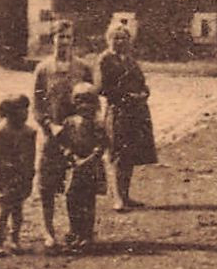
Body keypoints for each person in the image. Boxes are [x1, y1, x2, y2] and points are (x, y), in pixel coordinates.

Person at [32, 20, 94, 248]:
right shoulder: (43, 69)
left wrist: (86, 125)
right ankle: (48, 231)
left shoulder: (83, 68)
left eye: (68, 37)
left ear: (73, 40)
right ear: (53, 39)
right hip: (52, 132)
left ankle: (77, 230)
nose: (64, 42)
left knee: (80, 184)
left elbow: (92, 101)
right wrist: (49, 126)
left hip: (77, 133)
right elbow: (37, 105)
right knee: (47, 184)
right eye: (60, 37)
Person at [96, 14, 157, 212]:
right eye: (116, 37)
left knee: (130, 155)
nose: (120, 41)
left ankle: (126, 194)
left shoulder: (130, 60)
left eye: (124, 37)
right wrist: (126, 96)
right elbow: (101, 88)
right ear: (109, 39)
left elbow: (142, 81)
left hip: (136, 112)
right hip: (118, 111)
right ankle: (117, 198)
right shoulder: (105, 60)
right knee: (117, 155)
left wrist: (143, 93)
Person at [57, 83, 108, 252]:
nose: (85, 106)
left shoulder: (97, 124)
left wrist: (89, 159)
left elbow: (101, 146)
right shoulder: (69, 122)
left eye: (89, 102)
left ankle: (86, 234)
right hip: (73, 166)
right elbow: (62, 143)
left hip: (90, 166)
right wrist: (70, 155)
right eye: (80, 102)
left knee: (88, 200)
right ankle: (75, 230)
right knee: (72, 199)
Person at [0, 94, 36, 257]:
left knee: (18, 209)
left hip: (21, 175)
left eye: (26, 109)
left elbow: (30, 156)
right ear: (10, 113)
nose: (25, 113)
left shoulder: (29, 132)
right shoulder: (0, 132)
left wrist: (29, 175)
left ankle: (15, 239)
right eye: (21, 110)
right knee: (4, 209)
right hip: (5, 175)